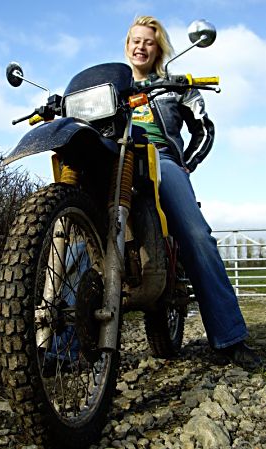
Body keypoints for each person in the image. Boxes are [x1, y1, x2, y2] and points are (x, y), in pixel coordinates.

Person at [125, 15, 262, 370]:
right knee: (75, 231)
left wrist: (188, 162)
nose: (141, 46)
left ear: (158, 49)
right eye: (135, 40)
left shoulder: (175, 85)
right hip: (118, 158)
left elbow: (203, 129)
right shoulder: (112, 86)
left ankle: (230, 337)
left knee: (197, 237)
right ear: (127, 45)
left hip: (161, 159)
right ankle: (61, 344)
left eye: (148, 42)